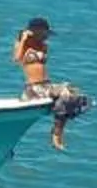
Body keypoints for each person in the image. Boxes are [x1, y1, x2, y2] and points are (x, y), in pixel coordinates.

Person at [11, 16, 90, 151]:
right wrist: (24, 39)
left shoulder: (43, 46)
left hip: (46, 85)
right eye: (44, 34)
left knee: (75, 95)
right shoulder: (22, 44)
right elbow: (16, 60)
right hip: (33, 88)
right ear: (36, 32)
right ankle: (56, 134)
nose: (46, 37)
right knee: (65, 94)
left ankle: (58, 129)